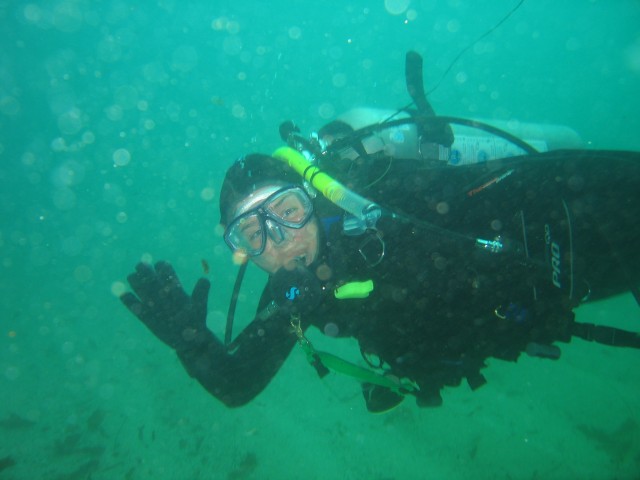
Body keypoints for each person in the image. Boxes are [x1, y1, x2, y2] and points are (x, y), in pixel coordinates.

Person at [121, 54, 640, 413]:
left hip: (582, 226)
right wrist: (194, 346)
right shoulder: (291, 296)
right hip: (569, 294)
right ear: (239, 252)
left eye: (286, 211)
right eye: (253, 235)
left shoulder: (389, 199)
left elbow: (532, 183)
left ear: (315, 201)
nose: (280, 242)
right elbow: (237, 386)